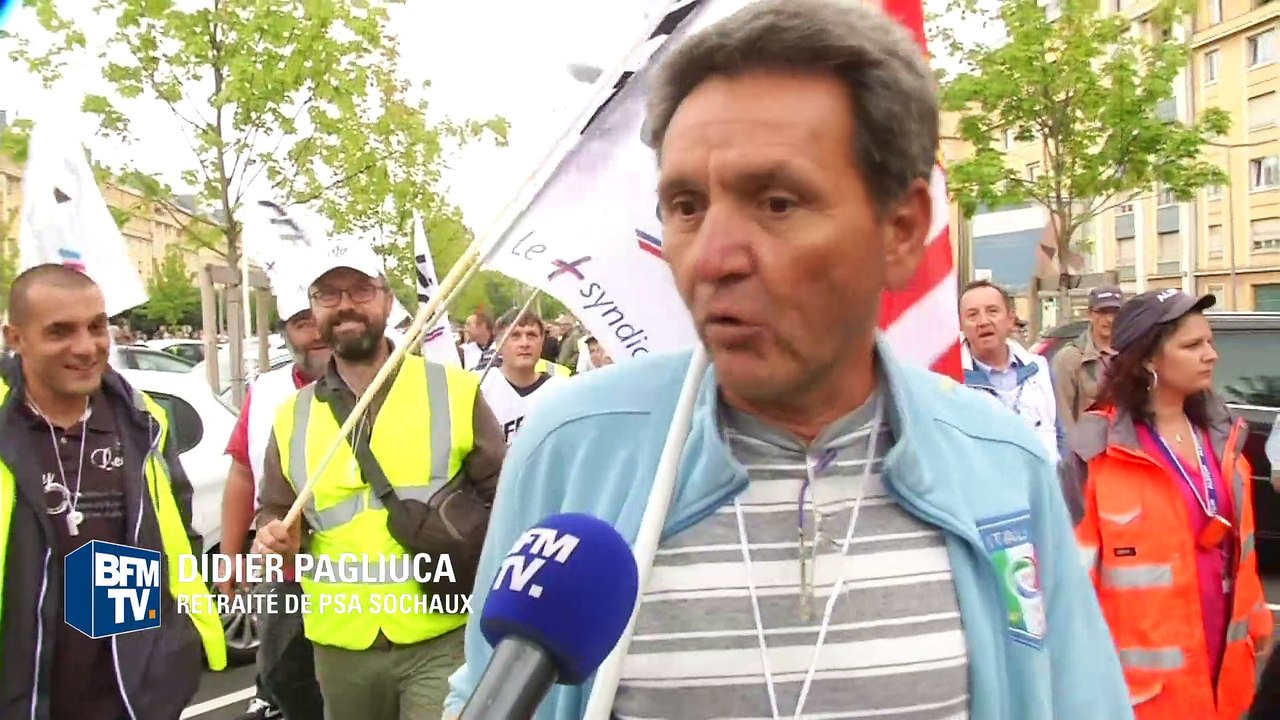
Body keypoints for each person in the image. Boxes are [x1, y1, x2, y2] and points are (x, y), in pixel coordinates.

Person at [445, 2, 1131, 718]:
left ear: (900, 232)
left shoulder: (1002, 466)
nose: (712, 257)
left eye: (776, 202)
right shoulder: (573, 450)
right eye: (686, 206)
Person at [253, 240, 506, 720]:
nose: (345, 304)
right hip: (340, 644)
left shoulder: (454, 389)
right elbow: (274, 508)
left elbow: (507, 497)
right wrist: (274, 535)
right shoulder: (290, 417)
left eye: (361, 290)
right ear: (313, 309)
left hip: (442, 633)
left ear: (388, 301)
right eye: (329, 294)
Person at [0, 264, 226, 720]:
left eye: (97, 326)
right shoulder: (9, 428)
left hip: (134, 697)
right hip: (24, 695)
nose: (86, 347)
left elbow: (178, 538)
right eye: (60, 331)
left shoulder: (142, 423)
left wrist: (177, 649)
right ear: (15, 338)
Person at [1062, 289, 1272, 718]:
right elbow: (1068, 588)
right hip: (1141, 697)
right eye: (1192, 345)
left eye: (1210, 341)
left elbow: (1242, 555)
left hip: (1226, 678)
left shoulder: (1224, 439)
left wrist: (1257, 623)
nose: (1211, 355)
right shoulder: (1096, 454)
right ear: (1148, 360)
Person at [221, 282, 329, 720]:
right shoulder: (267, 391)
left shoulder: (382, 382)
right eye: (303, 323)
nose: (316, 333)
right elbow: (242, 473)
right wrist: (231, 557)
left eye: (320, 319)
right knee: (284, 679)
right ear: (286, 334)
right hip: (286, 577)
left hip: (367, 576)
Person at [959, 279, 1063, 462]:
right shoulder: (950, 381)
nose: (983, 321)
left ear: (1010, 319)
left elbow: (1061, 437)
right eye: (972, 315)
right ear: (961, 325)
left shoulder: (1039, 369)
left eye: (992, 311)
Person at [480, 308, 567, 446]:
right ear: (499, 343)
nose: (524, 343)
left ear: (542, 342)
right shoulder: (481, 386)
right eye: (515, 336)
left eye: (531, 335)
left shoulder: (561, 390)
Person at [1053, 285, 1122, 433]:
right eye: (1102, 312)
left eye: (1115, 312)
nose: (1109, 319)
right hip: (1088, 444)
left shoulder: (1132, 354)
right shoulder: (1069, 358)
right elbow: (1063, 418)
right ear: (1090, 314)